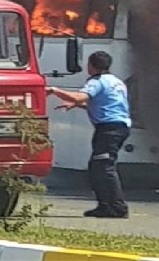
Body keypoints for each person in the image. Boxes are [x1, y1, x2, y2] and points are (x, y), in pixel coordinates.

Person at [47, 51, 131, 218]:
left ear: (91, 66)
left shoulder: (97, 82)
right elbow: (105, 106)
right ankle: (105, 205)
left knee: (105, 167)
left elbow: (80, 97)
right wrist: (78, 106)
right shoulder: (116, 82)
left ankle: (117, 207)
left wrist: (54, 90)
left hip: (108, 129)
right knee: (97, 167)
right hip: (119, 126)